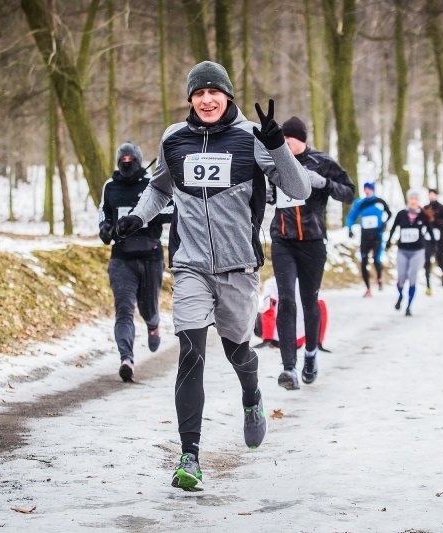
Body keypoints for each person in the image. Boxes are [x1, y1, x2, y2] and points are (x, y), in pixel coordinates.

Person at [115, 61, 310, 491]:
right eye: (198, 93)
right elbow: (160, 188)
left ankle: (251, 396)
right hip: (190, 265)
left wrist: (277, 145)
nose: (206, 99)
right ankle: (189, 456)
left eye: (213, 92)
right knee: (191, 351)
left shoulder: (251, 139)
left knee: (238, 351)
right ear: (190, 99)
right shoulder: (173, 139)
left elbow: (299, 191)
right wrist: (136, 217)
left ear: (228, 96)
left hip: (239, 268)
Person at [269, 116, 354, 390]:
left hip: (313, 242)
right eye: (282, 139)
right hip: (283, 240)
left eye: (289, 139)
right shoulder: (275, 161)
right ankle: (289, 368)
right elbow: (261, 191)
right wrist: (269, 195)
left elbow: (349, 193)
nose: (284, 143)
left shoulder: (322, 162)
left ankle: (310, 355)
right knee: (285, 298)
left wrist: (325, 184)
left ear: (301, 139)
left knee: (309, 300)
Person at [99, 142, 172, 382]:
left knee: (147, 309)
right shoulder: (110, 187)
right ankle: (126, 359)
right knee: (124, 309)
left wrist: (148, 215)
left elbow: (172, 210)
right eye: (123, 160)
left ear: (139, 161)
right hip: (122, 259)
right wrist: (106, 228)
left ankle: (153, 324)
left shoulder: (152, 186)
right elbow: (104, 215)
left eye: (132, 159)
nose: (127, 163)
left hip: (150, 256)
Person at [385, 191, 434, 316]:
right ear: (408, 200)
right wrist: (389, 242)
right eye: (411, 198)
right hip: (402, 250)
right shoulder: (401, 214)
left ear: (418, 201)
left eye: (415, 199)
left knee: (412, 277)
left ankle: (408, 306)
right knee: (401, 277)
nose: (413, 201)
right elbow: (394, 228)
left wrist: (433, 246)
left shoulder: (423, 215)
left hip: (417, 251)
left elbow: (430, 231)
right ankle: (401, 296)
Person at [345, 182, 392, 297]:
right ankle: (368, 288)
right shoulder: (360, 203)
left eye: (369, 189)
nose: (367, 191)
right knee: (364, 261)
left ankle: (380, 277)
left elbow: (389, 213)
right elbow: (352, 216)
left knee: (376, 259)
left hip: (377, 235)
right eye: (365, 189)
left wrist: (384, 223)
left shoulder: (380, 202)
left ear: (373, 190)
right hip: (365, 236)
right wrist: (349, 228)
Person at [422, 188, 443, 294]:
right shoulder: (426, 208)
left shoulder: (441, 208)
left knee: (440, 258)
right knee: (427, 259)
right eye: (430, 195)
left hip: (440, 237)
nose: (431, 196)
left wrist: (436, 221)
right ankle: (427, 280)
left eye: (433, 195)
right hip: (428, 237)